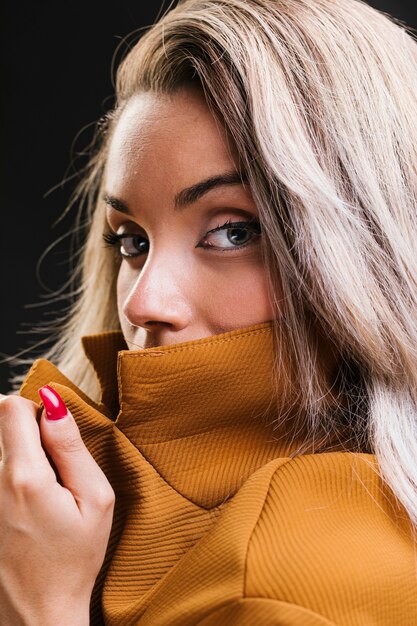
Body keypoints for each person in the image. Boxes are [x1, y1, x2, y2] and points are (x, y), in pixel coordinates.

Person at [1, 0, 416, 623]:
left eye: (232, 232)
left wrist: (42, 609)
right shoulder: (63, 505)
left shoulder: (291, 577)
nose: (143, 302)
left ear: (369, 253)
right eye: (132, 241)